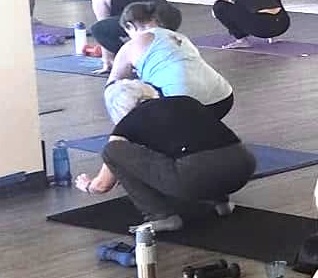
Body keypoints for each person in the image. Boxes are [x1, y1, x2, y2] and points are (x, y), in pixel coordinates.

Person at [72, 80, 254, 233]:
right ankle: (222, 203)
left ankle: (161, 216)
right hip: (243, 166)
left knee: (112, 151)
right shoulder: (186, 101)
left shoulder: (127, 123)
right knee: (198, 147)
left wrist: (88, 185)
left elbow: (103, 184)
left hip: (196, 178)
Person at [108, 2, 235, 120]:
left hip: (183, 106)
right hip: (222, 99)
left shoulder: (130, 46)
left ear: (130, 26)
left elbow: (112, 86)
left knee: (116, 94)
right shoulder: (179, 37)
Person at [87, 0, 166, 75]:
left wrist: (107, 61)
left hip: (154, 14)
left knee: (97, 29)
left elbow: (102, 27)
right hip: (169, 13)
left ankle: (128, 58)